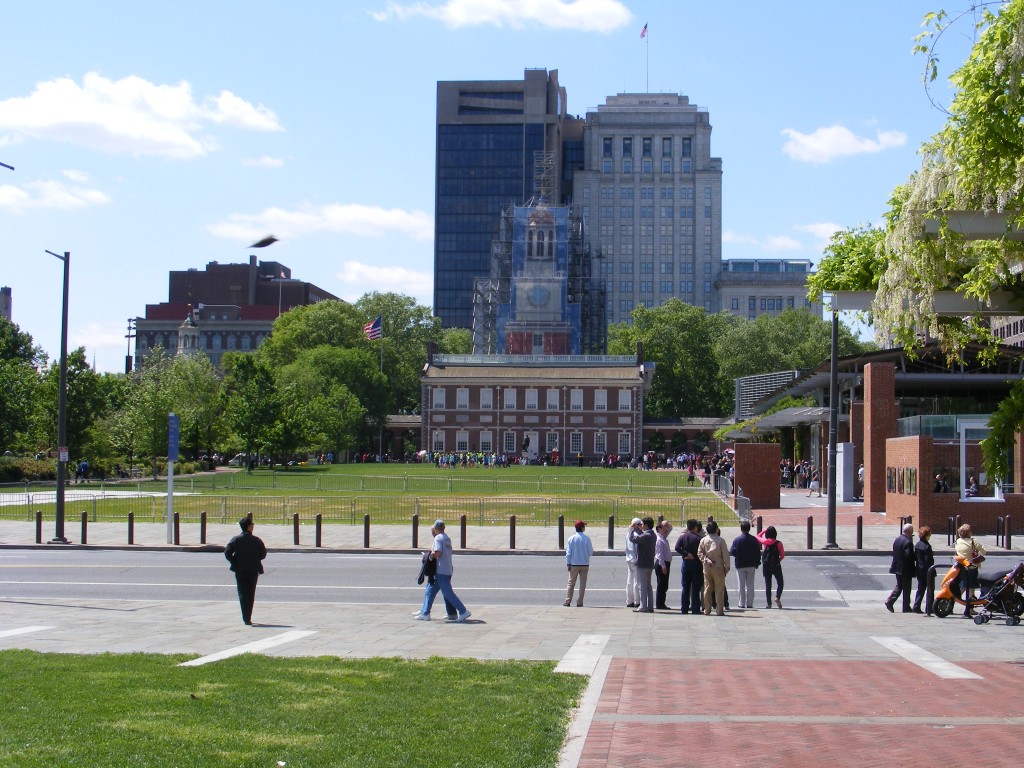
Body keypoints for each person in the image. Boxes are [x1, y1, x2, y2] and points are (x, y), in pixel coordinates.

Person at [414, 520, 471, 622]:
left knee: (448, 593)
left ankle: (463, 611)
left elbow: (438, 552)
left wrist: (429, 556)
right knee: (430, 591)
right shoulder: (446, 538)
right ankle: (425, 613)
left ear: (436, 528)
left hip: (441, 570)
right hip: (447, 568)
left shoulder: (438, 538)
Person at [224, 514, 267, 625]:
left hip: (240, 570)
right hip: (253, 570)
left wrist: (235, 562)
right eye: (252, 524)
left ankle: (245, 617)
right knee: (250, 593)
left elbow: (227, 553)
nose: (253, 526)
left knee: (242, 593)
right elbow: (263, 555)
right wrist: (254, 558)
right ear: (248, 527)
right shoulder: (256, 540)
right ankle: (248, 616)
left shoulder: (236, 539)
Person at [697, 521, 730, 616]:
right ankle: (719, 610)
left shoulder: (703, 540)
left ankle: (707, 609)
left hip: (707, 567)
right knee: (719, 589)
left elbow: (699, 553)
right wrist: (726, 567)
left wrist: (706, 560)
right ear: (717, 529)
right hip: (718, 567)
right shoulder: (720, 540)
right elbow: (725, 555)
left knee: (707, 588)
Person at [954, 523, 987, 617]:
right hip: (971, 567)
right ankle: (969, 608)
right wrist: (976, 552)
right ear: (969, 532)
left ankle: (953, 601)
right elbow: (984, 551)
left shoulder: (958, 541)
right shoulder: (973, 541)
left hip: (961, 566)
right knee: (970, 588)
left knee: (964, 586)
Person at [730, 520, 761, 609]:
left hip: (740, 564)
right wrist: (757, 562)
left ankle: (741, 603)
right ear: (749, 529)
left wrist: (737, 556)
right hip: (751, 564)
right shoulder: (754, 539)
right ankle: (750, 603)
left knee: (741, 585)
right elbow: (757, 553)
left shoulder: (737, 540)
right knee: (750, 585)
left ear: (741, 529)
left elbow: (732, 551)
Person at [884, 523, 916, 613]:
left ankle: (890, 601)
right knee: (906, 588)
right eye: (912, 531)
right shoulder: (908, 542)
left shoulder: (898, 539)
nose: (913, 533)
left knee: (900, 585)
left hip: (897, 567)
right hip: (905, 569)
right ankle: (905, 606)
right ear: (909, 531)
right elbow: (909, 556)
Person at [674, 519, 704, 614]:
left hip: (686, 563)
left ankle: (684, 608)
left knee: (685, 587)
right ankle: (695, 608)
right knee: (695, 588)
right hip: (696, 564)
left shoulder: (683, 537)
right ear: (695, 527)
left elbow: (677, 547)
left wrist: (685, 553)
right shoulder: (699, 538)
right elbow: (702, 552)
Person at [629, 517, 656, 612]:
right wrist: (637, 529)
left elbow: (633, 538)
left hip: (642, 563)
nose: (641, 526)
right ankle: (650, 606)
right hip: (649, 563)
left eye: (642, 524)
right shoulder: (652, 535)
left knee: (642, 586)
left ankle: (643, 606)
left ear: (646, 525)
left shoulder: (646, 536)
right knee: (648, 586)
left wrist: (632, 529)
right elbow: (641, 536)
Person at [564, 519, 593, 607]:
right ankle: (580, 602)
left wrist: (568, 563)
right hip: (584, 564)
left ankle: (568, 601)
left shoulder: (571, 539)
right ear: (582, 528)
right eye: (584, 526)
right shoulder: (587, 538)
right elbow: (590, 552)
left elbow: (568, 553)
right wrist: (585, 556)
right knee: (582, 584)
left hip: (574, 564)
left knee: (571, 583)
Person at [756, 525, 786, 608]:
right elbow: (782, 555)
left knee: (768, 584)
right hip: (776, 565)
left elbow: (758, 536)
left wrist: (765, 530)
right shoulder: (779, 543)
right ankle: (777, 597)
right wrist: (777, 561)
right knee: (780, 582)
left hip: (766, 566)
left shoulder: (765, 542)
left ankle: (769, 604)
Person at [912, 525, 935, 614]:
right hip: (927, 571)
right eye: (929, 534)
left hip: (919, 569)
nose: (930, 536)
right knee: (930, 590)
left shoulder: (918, 544)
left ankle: (916, 606)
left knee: (920, 589)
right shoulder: (927, 546)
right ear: (926, 535)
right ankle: (929, 608)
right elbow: (928, 560)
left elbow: (915, 557)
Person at [654, 521, 674, 609]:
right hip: (662, 564)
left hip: (666, 563)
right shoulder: (659, 540)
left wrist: (667, 524)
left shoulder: (663, 537)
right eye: (663, 528)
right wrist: (663, 566)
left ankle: (662, 602)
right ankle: (659, 604)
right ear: (659, 529)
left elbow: (670, 528)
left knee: (664, 585)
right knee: (661, 585)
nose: (666, 529)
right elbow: (659, 555)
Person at [624, 517, 642, 607]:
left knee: (629, 580)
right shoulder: (635, 535)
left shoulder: (628, 533)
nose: (641, 526)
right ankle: (637, 601)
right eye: (640, 524)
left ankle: (629, 600)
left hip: (628, 558)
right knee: (636, 580)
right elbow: (635, 548)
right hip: (635, 558)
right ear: (636, 525)